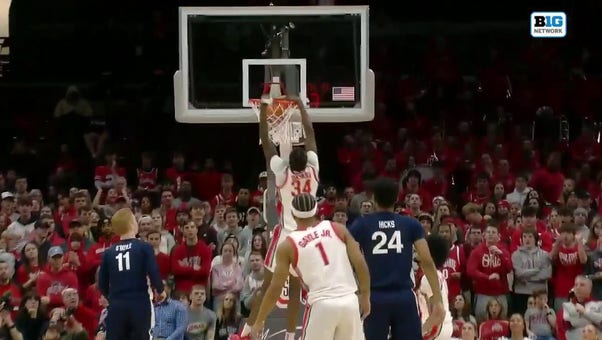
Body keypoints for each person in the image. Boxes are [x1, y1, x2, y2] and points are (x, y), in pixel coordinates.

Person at [239, 94, 319, 340]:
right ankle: (291, 336)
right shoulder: (314, 168)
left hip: (287, 234)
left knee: (268, 285)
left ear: (288, 162)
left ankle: (248, 330)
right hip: (308, 237)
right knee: (295, 288)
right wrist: (300, 106)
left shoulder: (281, 173)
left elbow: (266, 141)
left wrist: (264, 109)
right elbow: (310, 134)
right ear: (306, 158)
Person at [251, 193, 370, 339]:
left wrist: (259, 320)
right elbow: (360, 262)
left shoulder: (288, 245)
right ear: (316, 211)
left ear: (293, 215)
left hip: (321, 305)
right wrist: (365, 295)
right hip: (349, 302)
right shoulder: (338, 228)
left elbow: (276, 287)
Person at [349, 176, 445, 340]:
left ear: (373, 199)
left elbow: (348, 257)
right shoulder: (410, 224)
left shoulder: (361, 225)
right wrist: (437, 298)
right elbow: (427, 260)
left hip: (375, 298)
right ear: (396, 199)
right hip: (404, 297)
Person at [98, 208, 167, 340]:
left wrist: (112, 297)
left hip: (117, 305)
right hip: (139, 302)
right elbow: (153, 272)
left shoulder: (108, 252)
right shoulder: (144, 247)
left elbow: (102, 284)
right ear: (132, 224)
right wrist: (161, 290)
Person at [419, 234, 453, 339]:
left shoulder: (427, 279)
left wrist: (422, 331)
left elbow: (438, 312)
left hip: (437, 328)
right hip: (446, 325)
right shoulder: (439, 274)